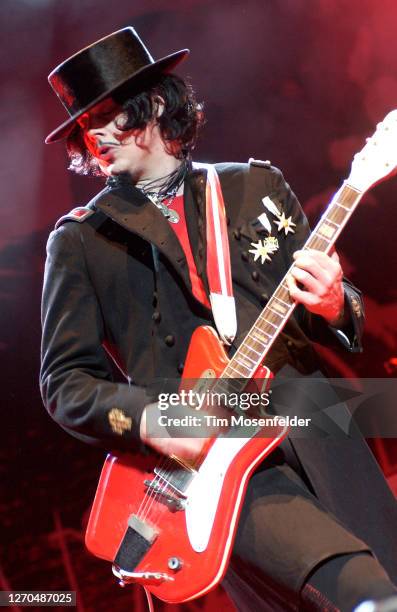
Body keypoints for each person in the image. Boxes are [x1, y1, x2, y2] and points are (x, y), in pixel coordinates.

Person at [41, 27, 397, 611]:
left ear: (156, 104)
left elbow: (322, 314)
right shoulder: (83, 240)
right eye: (85, 124)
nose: (96, 133)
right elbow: (63, 383)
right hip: (211, 460)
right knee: (365, 591)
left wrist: (335, 301)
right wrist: (151, 417)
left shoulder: (255, 185)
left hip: (317, 427)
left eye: (109, 114)